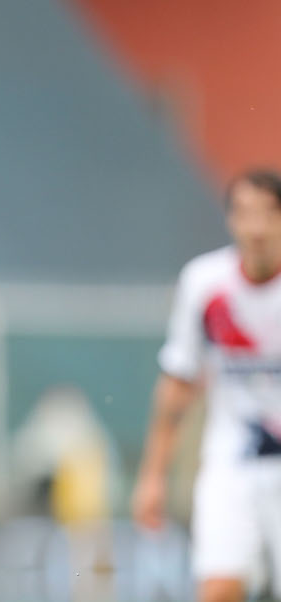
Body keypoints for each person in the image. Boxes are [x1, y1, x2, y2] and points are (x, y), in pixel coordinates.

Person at [133, 169, 281, 602]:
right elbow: (179, 381)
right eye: (245, 213)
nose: (256, 227)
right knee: (219, 587)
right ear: (230, 220)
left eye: (268, 214)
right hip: (231, 461)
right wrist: (153, 475)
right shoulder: (205, 282)